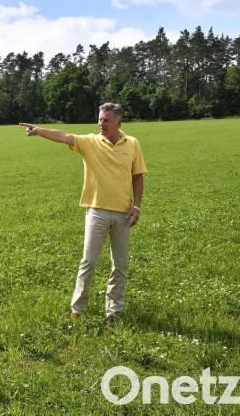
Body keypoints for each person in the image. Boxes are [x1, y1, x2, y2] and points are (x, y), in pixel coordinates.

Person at [19, 103, 146, 325]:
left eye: (106, 120)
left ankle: (113, 312)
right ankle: (78, 309)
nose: (101, 124)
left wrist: (136, 207)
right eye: (99, 120)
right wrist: (39, 130)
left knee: (120, 265)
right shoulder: (90, 142)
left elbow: (138, 177)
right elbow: (64, 136)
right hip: (96, 211)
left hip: (123, 214)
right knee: (88, 261)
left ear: (119, 123)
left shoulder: (133, 144)